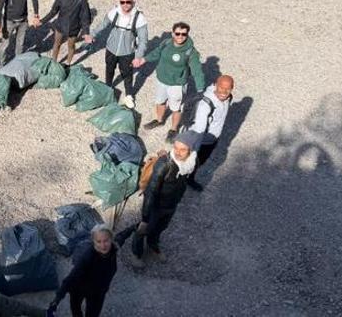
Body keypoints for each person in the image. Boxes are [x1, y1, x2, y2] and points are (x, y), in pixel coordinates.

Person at [115, 130, 200, 269]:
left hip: (171, 205)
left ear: (191, 150)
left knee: (161, 228)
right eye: (176, 148)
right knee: (143, 229)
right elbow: (151, 192)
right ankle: (136, 254)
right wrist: (145, 218)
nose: (178, 152)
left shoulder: (192, 161)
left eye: (183, 149)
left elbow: (187, 180)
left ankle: (152, 245)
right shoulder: (164, 165)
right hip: (156, 205)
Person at [134, 22, 205, 143]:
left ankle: (173, 129)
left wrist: (200, 89)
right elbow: (157, 52)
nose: (180, 36)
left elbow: (197, 71)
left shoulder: (191, 52)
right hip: (162, 80)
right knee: (160, 101)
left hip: (177, 85)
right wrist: (144, 59)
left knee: (176, 108)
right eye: (177, 33)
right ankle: (159, 120)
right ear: (173, 33)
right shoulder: (166, 43)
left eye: (184, 34)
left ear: (187, 35)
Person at [88, 0, 148, 109]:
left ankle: (129, 96)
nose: (125, 4)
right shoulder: (114, 12)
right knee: (109, 69)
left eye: (128, 2)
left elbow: (143, 40)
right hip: (111, 48)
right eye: (122, 2)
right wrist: (92, 34)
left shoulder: (139, 18)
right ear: (120, 2)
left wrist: (138, 57)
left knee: (127, 74)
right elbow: (103, 24)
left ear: (133, 2)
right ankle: (108, 89)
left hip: (127, 52)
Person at [49, 225, 118, 317]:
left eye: (106, 241)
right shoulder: (87, 257)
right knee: (76, 310)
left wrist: (134, 227)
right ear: (93, 242)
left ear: (111, 239)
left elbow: (122, 236)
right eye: (99, 241)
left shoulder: (113, 252)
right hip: (78, 288)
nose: (103, 245)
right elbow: (71, 277)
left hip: (97, 293)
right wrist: (57, 299)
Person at [185, 74, 235, 191]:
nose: (224, 91)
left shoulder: (228, 98)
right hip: (201, 141)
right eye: (222, 87)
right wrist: (194, 147)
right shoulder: (206, 105)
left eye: (228, 89)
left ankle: (189, 177)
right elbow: (199, 128)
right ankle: (180, 180)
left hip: (212, 139)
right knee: (190, 161)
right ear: (216, 85)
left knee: (199, 162)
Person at [41, 0, 92, 66]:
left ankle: (68, 63)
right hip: (60, 25)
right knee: (57, 44)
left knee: (71, 46)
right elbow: (53, 11)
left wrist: (86, 32)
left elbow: (85, 16)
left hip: (74, 28)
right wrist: (42, 21)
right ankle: (54, 62)